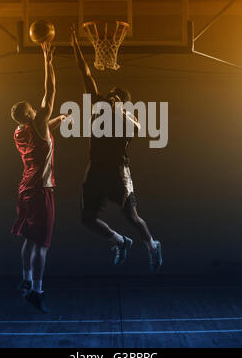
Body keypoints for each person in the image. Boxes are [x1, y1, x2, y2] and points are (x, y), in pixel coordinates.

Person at [70, 27, 162, 272]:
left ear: (123, 102)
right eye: (110, 95)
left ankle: (153, 247)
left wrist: (120, 109)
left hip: (118, 171)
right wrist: (76, 47)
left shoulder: (128, 119)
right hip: (95, 170)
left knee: (132, 217)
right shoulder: (98, 104)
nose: (111, 97)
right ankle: (121, 242)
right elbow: (85, 72)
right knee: (86, 219)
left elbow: (139, 127)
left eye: (116, 97)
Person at [11, 42, 69, 312]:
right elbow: (51, 90)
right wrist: (47, 59)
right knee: (42, 245)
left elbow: (43, 129)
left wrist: (59, 119)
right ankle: (37, 290)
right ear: (30, 115)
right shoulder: (37, 122)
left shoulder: (20, 132)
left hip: (25, 188)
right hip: (41, 188)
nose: (38, 108)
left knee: (29, 240)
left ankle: (24, 281)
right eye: (34, 109)